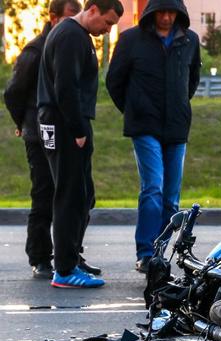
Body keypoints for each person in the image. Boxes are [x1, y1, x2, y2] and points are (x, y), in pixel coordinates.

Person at [106, 0, 201, 273]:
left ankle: (160, 254)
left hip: (176, 128)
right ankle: (145, 253)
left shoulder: (190, 40)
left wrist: (179, 106)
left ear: (180, 13)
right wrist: (134, 110)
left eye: (172, 12)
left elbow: (191, 80)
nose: (167, 18)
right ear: (151, 12)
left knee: (172, 197)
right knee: (153, 189)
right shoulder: (130, 40)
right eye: (162, 12)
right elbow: (115, 81)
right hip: (144, 127)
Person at [37, 0, 123, 288]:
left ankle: (71, 259)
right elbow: (65, 86)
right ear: (94, 9)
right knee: (70, 196)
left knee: (83, 195)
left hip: (64, 121)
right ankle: (64, 269)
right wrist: (77, 128)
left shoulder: (74, 35)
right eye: (108, 23)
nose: (109, 30)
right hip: (66, 123)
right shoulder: (71, 36)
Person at [4, 0, 85, 279]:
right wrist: (22, 124)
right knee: (44, 194)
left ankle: (71, 254)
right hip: (38, 135)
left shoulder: (71, 44)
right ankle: (40, 257)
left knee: (80, 194)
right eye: (70, 17)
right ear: (53, 17)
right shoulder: (35, 50)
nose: (75, 22)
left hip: (63, 132)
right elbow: (13, 93)